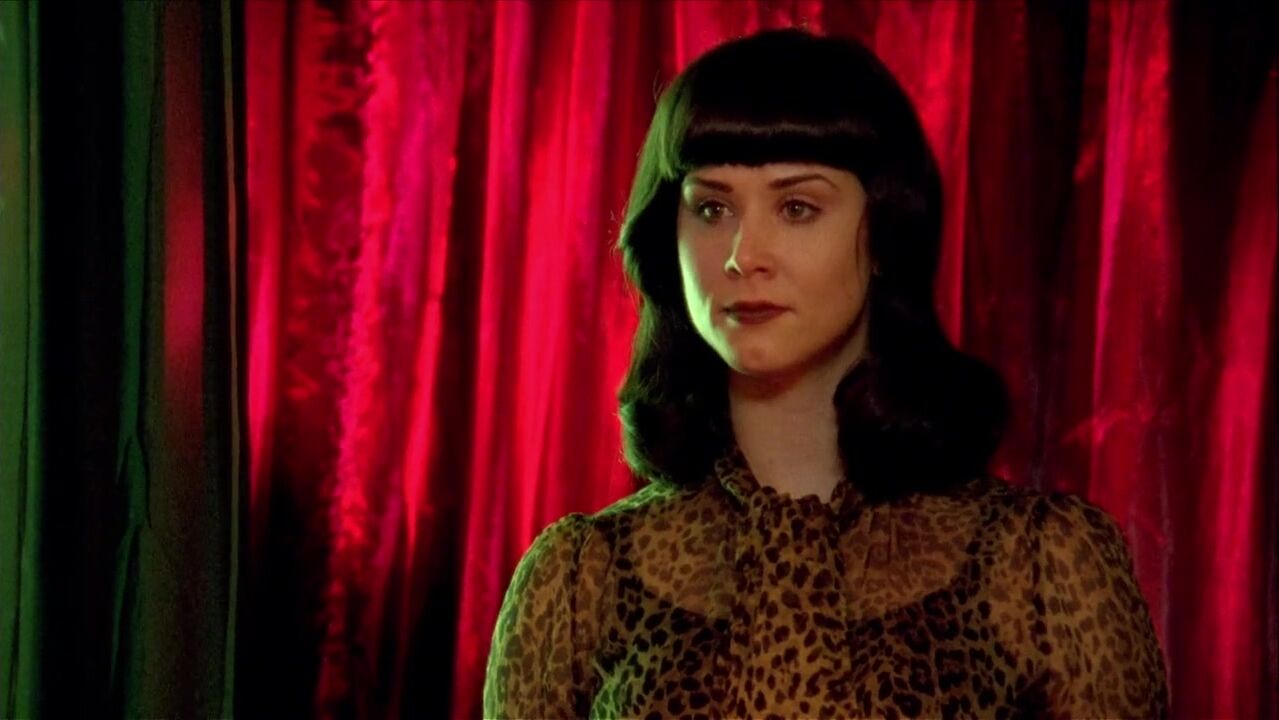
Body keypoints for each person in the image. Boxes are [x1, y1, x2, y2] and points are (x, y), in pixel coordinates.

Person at [484, 27, 1168, 719]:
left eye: (796, 208)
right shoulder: (579, 583)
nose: (744, 255)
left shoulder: (1039, 569)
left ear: (885, 231)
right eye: (712, 208)